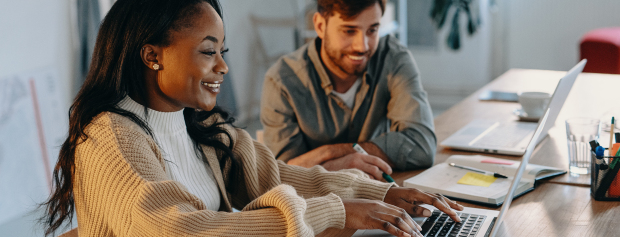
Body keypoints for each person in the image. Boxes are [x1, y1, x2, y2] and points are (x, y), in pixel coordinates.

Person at [41, 0, 463, 236]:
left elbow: (280, 177)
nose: (223, 67)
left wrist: (380, 195)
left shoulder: (200, 126)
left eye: (222, 52)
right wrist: (334, 212)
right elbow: (182, 231)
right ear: (152, 56)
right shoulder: (110, 138)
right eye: (209, 51)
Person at [260, 0, 436, 180]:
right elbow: (282, 175)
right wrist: (338, 165)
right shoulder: (282, 81)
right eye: (349, 31)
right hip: (313, 202)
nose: (363, 46)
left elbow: (422, 146)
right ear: (320, 26)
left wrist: (328, 153)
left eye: (372, 30)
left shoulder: (393, 59)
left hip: (379, 190)